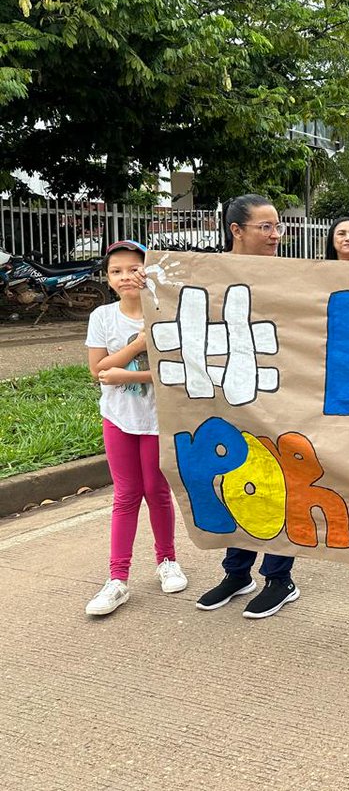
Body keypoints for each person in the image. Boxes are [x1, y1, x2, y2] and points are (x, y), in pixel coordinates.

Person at [196, 194, 300, 619]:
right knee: (234, 479)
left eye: (278, 227)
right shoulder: (209, 274)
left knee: (278, 483)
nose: (276, 235)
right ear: (236, 230)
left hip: (281, 393)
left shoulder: (292, 276)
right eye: (266, 227)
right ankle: (237, 572)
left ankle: (280, 578)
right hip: (230, 393)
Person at [83, 241, 188, 616]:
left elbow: (175, 371)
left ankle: (167, 561)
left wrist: (126, 373)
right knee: (126, 495)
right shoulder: (103, 317)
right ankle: (117, 579)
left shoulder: (165, 311)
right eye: (116, 271)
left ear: (148, 270)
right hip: (119, 419)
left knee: (157, 491)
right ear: (108, 278)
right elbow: (98, 371)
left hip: (158, 420)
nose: (126, 277)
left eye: (134, 268)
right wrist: (140, 343)